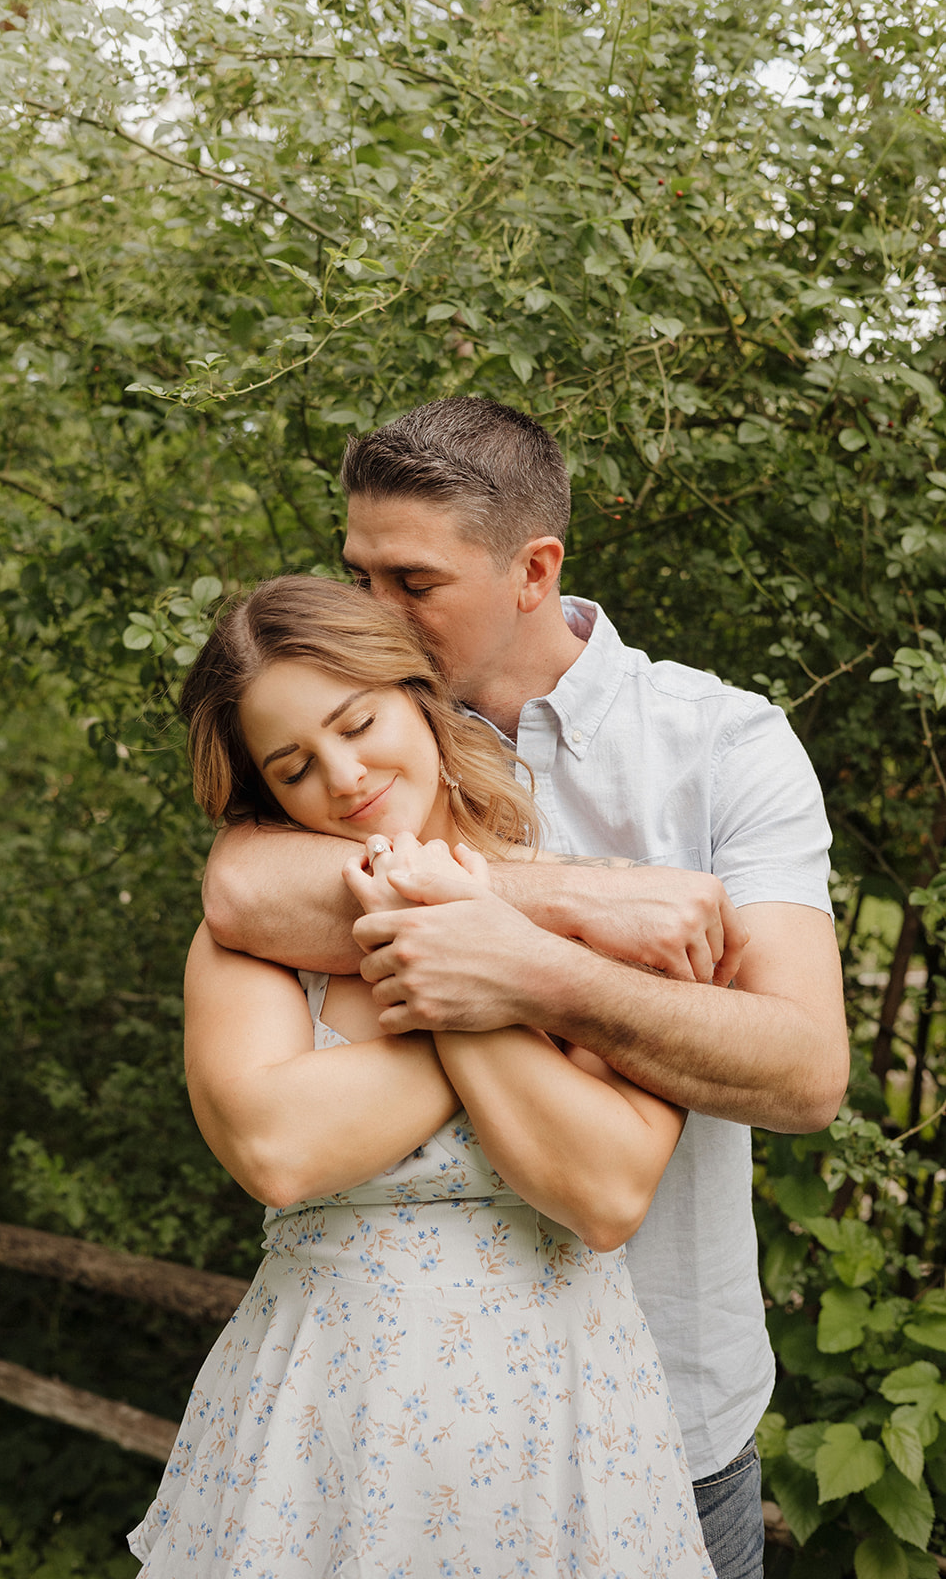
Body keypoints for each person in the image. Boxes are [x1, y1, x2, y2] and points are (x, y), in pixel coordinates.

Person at [201, 399, 851, 1579]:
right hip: (369, 1432)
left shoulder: (719, 745)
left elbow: (802, 1069)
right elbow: (242, 886)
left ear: (531, 569)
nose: (369, 612)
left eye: (410, 581)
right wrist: (570, 902)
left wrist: (524, 971)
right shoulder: (374, 734)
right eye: (356, 572)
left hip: (662, 1406)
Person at [129, 574, 717, 1577]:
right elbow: (278, 1147)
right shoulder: (249, 943)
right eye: (293, 765)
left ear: (417, 693)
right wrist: (467, 973)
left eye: (358, 721)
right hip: (328, 1425)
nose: (344, 773)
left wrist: (468, 956)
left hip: (563, 1422)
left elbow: (606, 1188)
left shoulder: (599, 908)